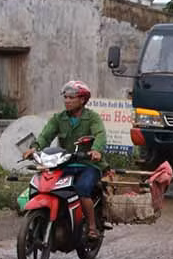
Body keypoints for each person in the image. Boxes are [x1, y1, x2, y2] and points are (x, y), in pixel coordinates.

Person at [22, 80, 108, 240]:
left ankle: (91, 227)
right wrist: (35, 148)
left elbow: (100, 135)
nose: (67, 101)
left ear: (82, 100)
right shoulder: (59, 118)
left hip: (89, 164)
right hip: (65, 164)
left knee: (82, 188)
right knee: (46, 185)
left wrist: (96, 150)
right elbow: (46, 135)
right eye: (65, 97)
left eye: (71, 97)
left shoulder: (92, 118)